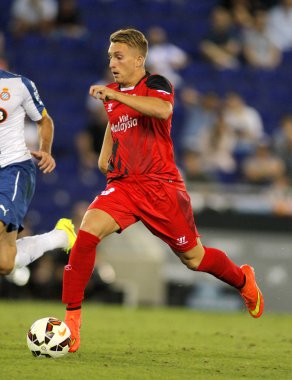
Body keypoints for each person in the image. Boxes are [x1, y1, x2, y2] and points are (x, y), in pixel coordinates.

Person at [62, 28, 264, 353]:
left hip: (162, 188)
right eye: (110, 56)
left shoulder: (156, 84)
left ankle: (243, 280)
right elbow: (114, 131)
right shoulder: (113, 98)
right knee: (87, 233)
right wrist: (105, 159)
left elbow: (161, 111)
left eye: (119, 56)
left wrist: (116, 96)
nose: (112, 63)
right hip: (126, 187)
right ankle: (72, 322)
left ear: (139, 59)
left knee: (194, 259)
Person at [0, 68, 76, 282]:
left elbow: (44, 120)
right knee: (5, 263)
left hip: (12, 170)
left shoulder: (18, 85)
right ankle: (59, 236)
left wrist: (46, 150)